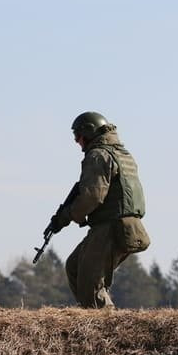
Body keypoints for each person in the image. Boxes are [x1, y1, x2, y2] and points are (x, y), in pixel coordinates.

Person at [48, 112, 150, 308]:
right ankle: (94, 315)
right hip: (126, 226)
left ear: (89, 132)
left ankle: (103, 322)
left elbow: (92, 197)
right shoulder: (121, 154)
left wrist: (66, 216)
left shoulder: (98, 155)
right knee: (75, 267)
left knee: (90, 285)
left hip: (112, 227)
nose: (77, 141)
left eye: (78, 136)